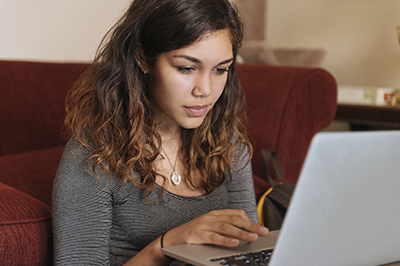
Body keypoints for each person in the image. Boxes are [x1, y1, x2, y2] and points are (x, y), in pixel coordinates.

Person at [52, 0, 269, 265]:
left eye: (220, 69)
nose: (205, 90)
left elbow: (248, 252)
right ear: (142, 58)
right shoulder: (93, 156)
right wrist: (166, 246)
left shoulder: (226, 140)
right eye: (187, 68)